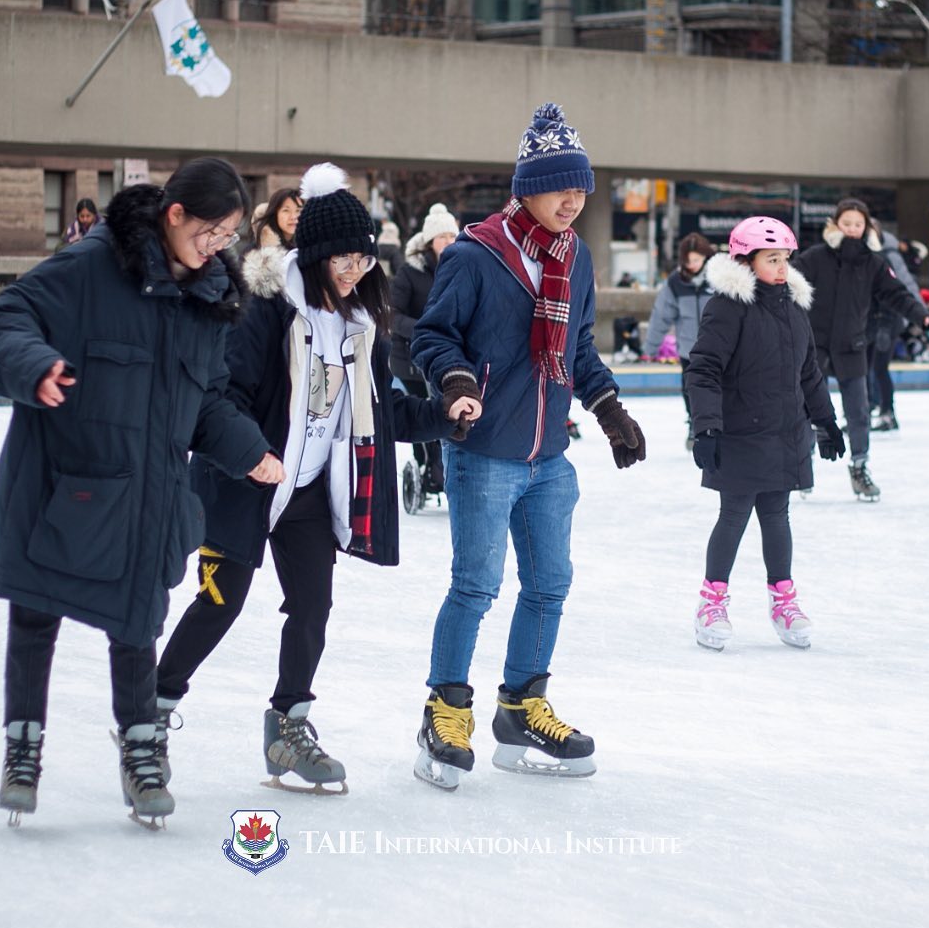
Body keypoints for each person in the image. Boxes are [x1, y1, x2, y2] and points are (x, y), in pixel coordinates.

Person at [0, 158, 283, 827]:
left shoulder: (209, 305)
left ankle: (142, 753)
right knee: (35, 612)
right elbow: (6, 324)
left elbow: (203, 403)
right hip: (65, 479)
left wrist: (250, 450)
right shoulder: (89, 269)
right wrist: (36, 367)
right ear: (173, 215)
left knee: (137, 620)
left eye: (229, 234)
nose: (217, 246)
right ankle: (21, 749)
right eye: (209, 230)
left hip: (147, 492)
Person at [154, 163, 477, 795]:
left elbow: (382, 415)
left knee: (312, 607)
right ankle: (153, 713)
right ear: (316, 254)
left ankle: (288, 728)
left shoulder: (360, 329)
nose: (355, 272)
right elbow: (225, 396)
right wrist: (251, 454)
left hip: (305, 490)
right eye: (343, 260)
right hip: (242, 483)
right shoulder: (267, 309)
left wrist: (443, 416)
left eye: (364, 261)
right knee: (221, 603)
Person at [410, 102, 646, 791]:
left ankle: (521, 707)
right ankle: (445, 710)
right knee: (476, 586)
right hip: (484, 451)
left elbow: (577, 349)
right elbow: (432, 335)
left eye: (581, 189)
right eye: (558, 187)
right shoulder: (476, 255)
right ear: (526, 188)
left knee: (549, 585)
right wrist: (455, 381)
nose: (572, 201)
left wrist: (609, 413)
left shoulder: (575, 259)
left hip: (548, 458)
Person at [686, 217, 844, 652]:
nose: (781, 267)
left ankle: (783, 601)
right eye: (771, 258)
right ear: (747, 260)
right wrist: (706, 428)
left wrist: (826, 421)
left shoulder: (792, 307)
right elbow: (703, 370)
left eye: (784, 258)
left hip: (785, 431)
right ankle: (711, 603)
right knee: (734, 514)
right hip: (739, 431)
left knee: (777, 515)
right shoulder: (728, 306)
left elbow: (809, 372)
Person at [793, 198, 929, 502]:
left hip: (853, 347)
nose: (853, 229)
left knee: (858, 413)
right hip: (815, 347)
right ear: (836, 224)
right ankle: (801, 466)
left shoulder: (874, 264)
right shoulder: (815, 257)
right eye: (847, 223)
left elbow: (897, 294)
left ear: (866, 228)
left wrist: (921, 314)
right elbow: (787, 281)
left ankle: (859, 468)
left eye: (858, 224)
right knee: (804, 409)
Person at [390, 201, 460, 492]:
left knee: (451, 411)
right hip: (409, 358)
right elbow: (391, 315)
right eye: (442, 237)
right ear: (429, 241)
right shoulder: (410, 273)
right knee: (422, 413)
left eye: (452, 236)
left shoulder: (461, 268)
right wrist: (423, 331)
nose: (448, 242)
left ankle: (447, 468)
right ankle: (428, 466)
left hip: (446, 358)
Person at [642, 232, 717, 448]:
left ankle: (717, 424)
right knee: (690, 388)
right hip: (689, 349)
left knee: (717, 387)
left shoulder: (718, 278)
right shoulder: (676, 282)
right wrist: (651, 347)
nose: (692, 265)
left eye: (696, 260)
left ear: (705, 257)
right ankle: (695, 423)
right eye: (688, 260)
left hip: (717, 348)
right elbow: (662, 315)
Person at [867, 224, 924, 431]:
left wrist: (920, 315)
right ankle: (872, 407)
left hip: (888, 321)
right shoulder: (865, 259)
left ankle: (887, 412)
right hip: (873, 322)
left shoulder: (886, 257)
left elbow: (900, 288)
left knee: (879, 368)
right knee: (868, 368)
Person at [253, 186, 302, 255]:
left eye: (298, 210)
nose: (293, 217)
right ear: (275, 213)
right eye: (286, 210)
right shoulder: (257, 252)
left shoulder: (307, 247)